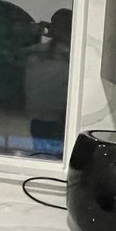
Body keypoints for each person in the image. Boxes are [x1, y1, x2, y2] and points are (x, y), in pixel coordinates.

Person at [25, 8, 71, 156]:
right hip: (39, 115)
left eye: (61, 25)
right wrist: (30, 35)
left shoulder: (74, 51)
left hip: (62, 117)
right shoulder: (43, 50)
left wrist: (62, 37)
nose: (54, 28)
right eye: (54, 24)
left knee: (58, 156)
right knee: (41, 154)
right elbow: (20, 53)